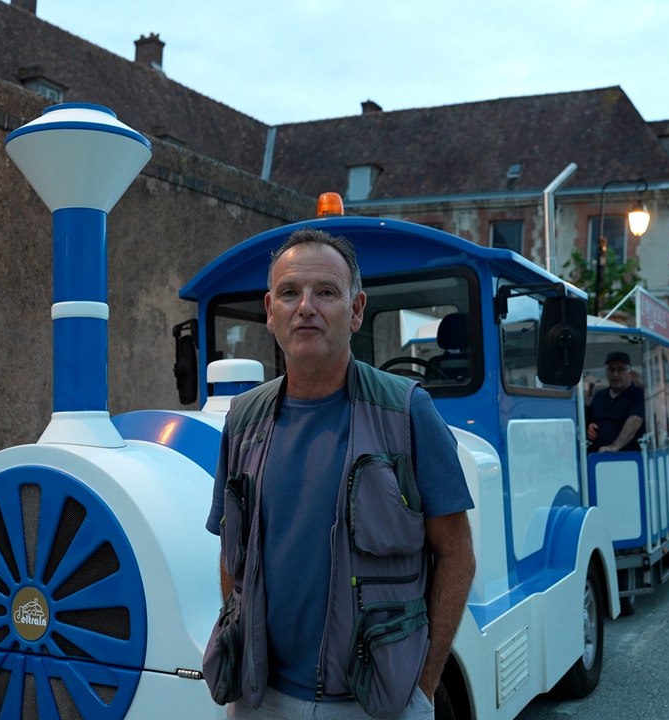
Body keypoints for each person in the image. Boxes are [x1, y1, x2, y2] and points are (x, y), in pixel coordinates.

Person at [203, 228, 476, 719]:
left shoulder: (407, 412)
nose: (305, 307)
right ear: (270, 311)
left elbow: (457, 555)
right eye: (289, 292)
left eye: (326, 292)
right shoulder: (242, 420)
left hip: (375, 703)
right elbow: (231, 555)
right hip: (261, 700)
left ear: (355, 310)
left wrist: (423, 686)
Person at [586, 351, 645, 453]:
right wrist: (589, 426)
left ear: (629, 372)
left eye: (620, 369)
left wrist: (614, 447)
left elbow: (635, 421)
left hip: (626, 456)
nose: (615, 374)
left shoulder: (638, 395)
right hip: (596, 456)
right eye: (611, 369)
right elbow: (589, 420)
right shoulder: (599, 396)